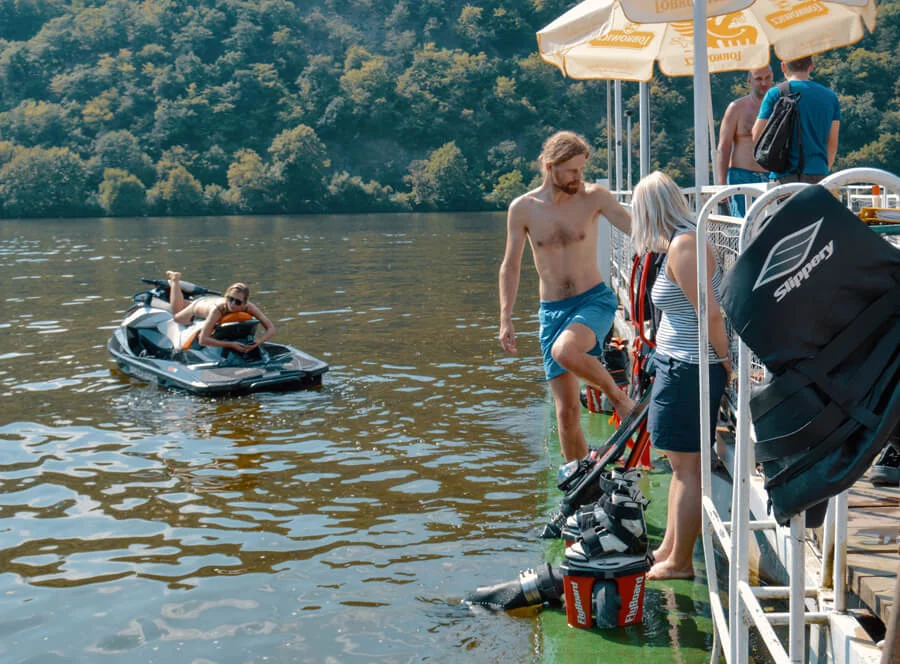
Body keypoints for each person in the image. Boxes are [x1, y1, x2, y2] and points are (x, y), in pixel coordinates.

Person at [498, 130, 634, 463]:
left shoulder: (594, 197)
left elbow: (635, 228)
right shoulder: (523, 209)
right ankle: (578, 478)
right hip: (552, 311)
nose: (578, 177)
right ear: (549, 166)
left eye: (581, 170)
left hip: (594, 301)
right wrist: (506, 316)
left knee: (565, 350)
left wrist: (679, 237)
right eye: (572, 170)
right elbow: (511, 266)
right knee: (567, 411)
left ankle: (617, 398)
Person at [629, 171, 731, 581]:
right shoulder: (679, 242)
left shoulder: (685, 246)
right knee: (678, 466)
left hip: (691, 367)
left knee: (687, 469)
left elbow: (709, 312)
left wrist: (726, 363)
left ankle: (681, 562)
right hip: (679, 363)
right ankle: (670, 549)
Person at [752, 56, 840, 184]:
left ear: (783, 67)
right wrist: (823, 168)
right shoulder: (830, 97)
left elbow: (757, 135)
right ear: (811, 66)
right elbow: (832, 142)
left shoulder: (775, 94)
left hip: (784, 175)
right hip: (819, 174)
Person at [167, 271, 276, 353]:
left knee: (184, 306)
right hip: (198, 306)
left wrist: (258, 343)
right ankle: (175, 280)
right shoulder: (217, 310)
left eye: (238, 302)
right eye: (230, 299)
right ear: (226, 297)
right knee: (177, 316)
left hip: (210, 302)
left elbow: (271, 328)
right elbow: (203, 340)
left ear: (244, 303)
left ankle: (186, 299)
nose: (232, 304)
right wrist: (230, 344)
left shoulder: (249, 307)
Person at [716, 65, 774, 216]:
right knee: (743, 228)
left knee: (773, 230)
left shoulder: (780, 106)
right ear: (749, 81)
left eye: (767, 78)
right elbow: (724, 147)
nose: (763, 83)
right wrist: (721, 184)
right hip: (742, 177)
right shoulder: (736, 108)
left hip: (773, 177)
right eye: (758, 79)